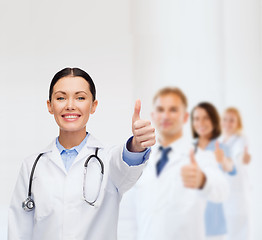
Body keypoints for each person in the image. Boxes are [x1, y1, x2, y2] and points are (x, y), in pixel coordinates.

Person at [8, 67, 156, 240]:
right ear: (50, 106)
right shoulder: (32, 166)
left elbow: (126, 164)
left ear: (93, 106)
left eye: (80, 97)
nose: (70, 105)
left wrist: (136, 145)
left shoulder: (108, 159)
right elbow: (19, 230)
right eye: (61, 97)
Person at [118, 87, 229, 240]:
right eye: (161, 110)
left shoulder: (200, 157)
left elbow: (221, 190)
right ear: (153, 116)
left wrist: (203, 181)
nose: (166, 115)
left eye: (173, 110)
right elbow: (128, 216)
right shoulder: (140, 158)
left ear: (185, 117)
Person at [191, 102, 236, 240]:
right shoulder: (189, 148)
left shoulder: (220, 147)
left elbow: (231, 168)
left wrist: (223, 161)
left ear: (214, 120)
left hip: (214, 224)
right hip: (191, 221)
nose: (201, 123)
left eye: (206, 118)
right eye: (197, 118)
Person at [220, 107, 251, 240]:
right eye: (225, 120)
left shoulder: (241, 139)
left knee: (238, 231)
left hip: (237, 195)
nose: (227, 123)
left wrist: (243, 158)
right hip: (224, 195)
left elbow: (241, 156)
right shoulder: (220, 141)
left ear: (238, 123)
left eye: (232, 120)